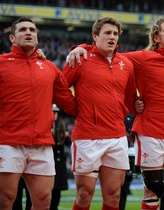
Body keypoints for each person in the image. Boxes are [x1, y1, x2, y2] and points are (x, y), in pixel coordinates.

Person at [67, 17, 164, 210]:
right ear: (156, 37)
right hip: (149, 134)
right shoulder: (141, 58)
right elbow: (109, 54)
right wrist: (81, 47)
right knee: (152, 191)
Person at [0, 17, 76, 210]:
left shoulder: (49, 67)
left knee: (43, 202)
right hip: (8, 142)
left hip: (41, 143)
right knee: (5, 200)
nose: (28, 33)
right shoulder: (1, 63)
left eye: (32, 30)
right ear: (12, 38)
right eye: (23, 30)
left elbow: (69, 102)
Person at [62, 17, 137, 210]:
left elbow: (129, 97)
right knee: (84, 194)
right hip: (88, 136)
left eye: (115, 34)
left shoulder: (126, 64)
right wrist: (75, 109)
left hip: (117, 136)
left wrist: (125, 110)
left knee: (114, 196)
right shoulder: (80, 58)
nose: (112, 37)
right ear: (95, 36)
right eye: (107, 33)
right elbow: (60, 87)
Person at [50, 104, 69, 210]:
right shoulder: (46, 124)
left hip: (59, 161)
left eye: (56, 112)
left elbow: (67, 142)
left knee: (57, 190)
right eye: (53, 112)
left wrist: (66, 136)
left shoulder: (61, 125)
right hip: (50, 159)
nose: (55, 114)